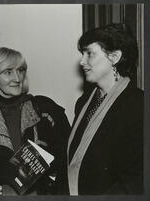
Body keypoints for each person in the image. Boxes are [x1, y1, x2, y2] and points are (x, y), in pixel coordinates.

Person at [0, 47, 71, 195]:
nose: (17, 78)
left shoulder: (45, 109)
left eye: (20, 70)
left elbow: (69, 154)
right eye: (8, 72)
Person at [67, 23, 143, 195]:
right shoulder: (85, 101)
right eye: (82, 54)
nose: (82, 61)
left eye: (90, 54)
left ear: (114, 57)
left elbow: (134, 181)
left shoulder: (139, 107)